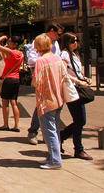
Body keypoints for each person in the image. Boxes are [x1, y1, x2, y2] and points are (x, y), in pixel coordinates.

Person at [32, 33, 68, 170]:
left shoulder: (40, 61)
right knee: (55, 130)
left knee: (49, 132)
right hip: (59, 99)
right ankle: (52, 156)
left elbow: (36, 81)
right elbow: (64, 76)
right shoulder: (57, 59)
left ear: (39, 46)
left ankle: (55, 161)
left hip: (46, 100)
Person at [26, 23, 64, 144]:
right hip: (43, 77)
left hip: (55, 76)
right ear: (51, 31)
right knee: (42, 104)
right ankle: (33, 131)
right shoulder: (39, 40)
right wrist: (47, 61)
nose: (59, 37)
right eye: (58, 34)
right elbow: (31, 59)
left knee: (55, 105)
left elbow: (57, 58)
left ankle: (47, 132)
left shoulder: (56, 43)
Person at [60, 33, 93, 160]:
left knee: (80, 120)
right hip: (72, 89)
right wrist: (78, 81)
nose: (76, 43)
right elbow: (63, 73)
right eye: (73, 41)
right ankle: (78, 149)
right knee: (80, 120)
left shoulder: (74, 55)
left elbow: (76, 72)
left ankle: (62, 136)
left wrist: (84, 78)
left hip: (78, 88)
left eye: (77, 40)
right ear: (67, 42)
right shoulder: (64, 54)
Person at [0, 35, 24, 131]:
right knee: (14, 102)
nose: (8, 42)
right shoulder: (20, 54)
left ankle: (6, 124)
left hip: (8, 79)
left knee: (5, 103)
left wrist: (3, 37)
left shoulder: (11, 52)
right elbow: (4, 57)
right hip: (16, 79)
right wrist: (4, 48)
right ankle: (16, 125)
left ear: (15, 44)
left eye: (10, 41)